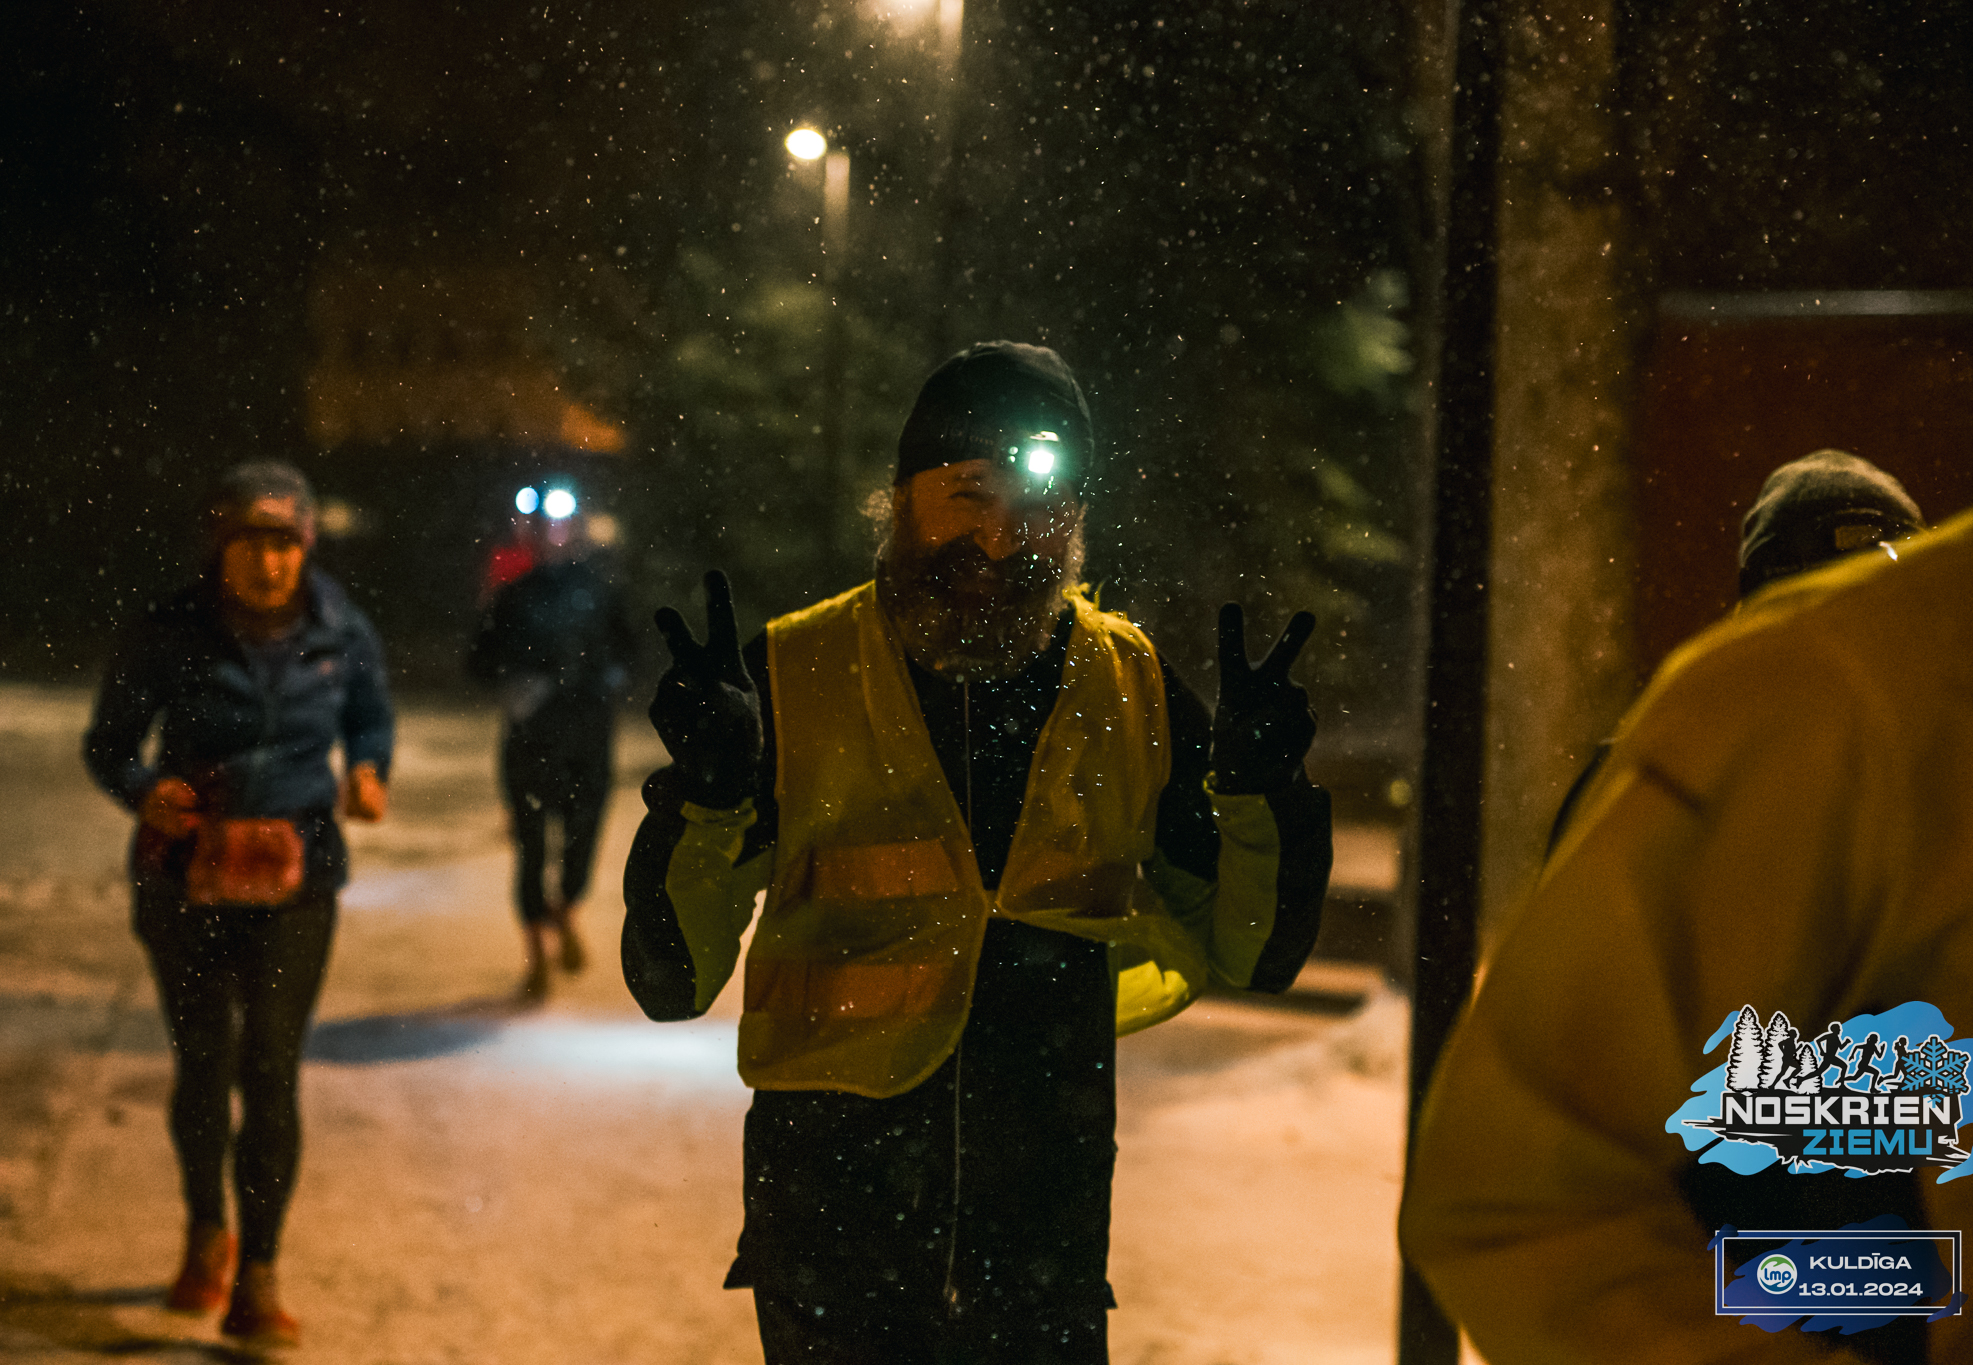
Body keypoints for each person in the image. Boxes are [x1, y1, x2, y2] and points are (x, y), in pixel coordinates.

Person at [622, 341, 1334, 1364]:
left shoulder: (1127, 686)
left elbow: (1256, 953)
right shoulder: (796, 675)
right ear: (903, 499)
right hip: (833, 1245)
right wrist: (705, 798)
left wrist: (1267, 794)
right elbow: (669, 978)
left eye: (1039, 503)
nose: (1001, 539)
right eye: (968, 494)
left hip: (1040, 1251)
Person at [1400, 486, 1973, 1361]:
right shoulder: (1778, 723)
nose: (1840, 601)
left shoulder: (1942, 718)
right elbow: (1529, 1175)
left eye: (1874, 575)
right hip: (1769, 1263)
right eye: (1811, 584)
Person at [83, 461, 393, 1348]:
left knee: (270, 1066)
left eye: (285, 543)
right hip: (187, 874)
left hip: (298, 879)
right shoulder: (168, 630)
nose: (270, 563)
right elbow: (109, 743)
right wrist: (144, 789)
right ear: (217, 545)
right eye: (251, 543)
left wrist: (369, 768)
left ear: (308, 545)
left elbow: (370, 715)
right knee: (204, 1062)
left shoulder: (341, 628)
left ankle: (259, 1271)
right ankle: (203, 1229)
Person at [1545, 449, 1926, 856]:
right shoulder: (1658, 783)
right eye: (1838, 608)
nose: (1868, 645)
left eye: (1895, 605)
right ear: (1763, 617)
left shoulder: (1945, 779)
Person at [468, 485, 637, 999]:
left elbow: (632, 649)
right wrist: (515, 682)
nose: (553, 535)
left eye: (562, 524)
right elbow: (479, 660)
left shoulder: (602, 591)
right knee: (532, 846)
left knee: (582, 838)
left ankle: (567, 909)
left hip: (587, 737)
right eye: (544, 526)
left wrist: (607, 678)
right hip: (531, 740)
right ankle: (537, 948)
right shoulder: (513, 596)